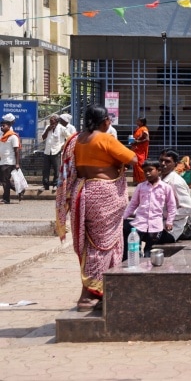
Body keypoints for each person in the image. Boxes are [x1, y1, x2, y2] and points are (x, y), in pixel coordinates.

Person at [55, 104, 137, 312]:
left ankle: (97, 290)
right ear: (105, 121)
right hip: (103, 194)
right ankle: (90, 294)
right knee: (103, 245)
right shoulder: (105, 138)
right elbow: (133, 159)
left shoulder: (77, 140)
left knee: (91, 243)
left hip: (83, 192)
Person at [121, 160, 177, 260]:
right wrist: (123, 218)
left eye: (150, 170)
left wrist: (169, 222)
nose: (147, 173)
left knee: (149, 252)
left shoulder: (166, 188)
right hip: (139, 224)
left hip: (156, 226)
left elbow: (172, 206)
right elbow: (133, 204)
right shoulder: (140, 187)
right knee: (134, 251)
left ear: (159, 170)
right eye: (145, 171)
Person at [159, 149, 191, 240]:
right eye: (161, 160)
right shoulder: (159, 179)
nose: (163, 164)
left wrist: (165, 215)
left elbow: (189, 209)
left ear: (175, 164)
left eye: (167, 161)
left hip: (172, 229)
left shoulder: (176, 182)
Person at [41, 114, 66, 191]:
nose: (51, 122)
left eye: (52, 121)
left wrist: (63, 146)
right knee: (45, 169)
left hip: (56, 151)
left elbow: (69, 137)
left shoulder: (62, 128)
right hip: (47, 151)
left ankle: (55, 184)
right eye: (50, 121)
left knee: (57, 169)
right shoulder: (47, 127)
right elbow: (43, 137)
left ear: (57, 121)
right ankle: (45, 185)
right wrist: (48, 129)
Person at [0, 114, 21, 205]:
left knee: (5, 181)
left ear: (9, 126)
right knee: (4, 180)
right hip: (2, 160)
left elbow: (16, 151)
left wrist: (17, 163)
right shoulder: (3, 136)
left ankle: (6, 199)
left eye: (3, 125)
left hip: (9, 161)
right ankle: (20, 189)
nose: (1, 127)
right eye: (1, 125)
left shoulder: (13, 136)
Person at [130, 117, 150, 184]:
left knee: (140, 165)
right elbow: (138, 137)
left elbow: (147, 139)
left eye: (138, 121)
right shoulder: (138, 128)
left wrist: (137, 142)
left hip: (141, 151)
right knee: (135, 165)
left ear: (142, 122)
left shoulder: (144, 129)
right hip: (136, 149)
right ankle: (137, 181)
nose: (137, 122)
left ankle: (143, 180)